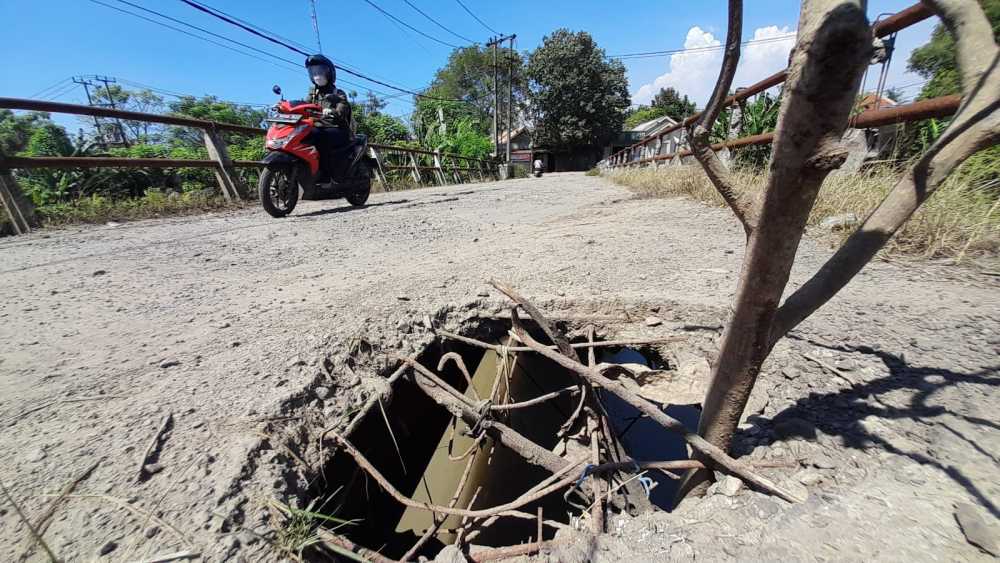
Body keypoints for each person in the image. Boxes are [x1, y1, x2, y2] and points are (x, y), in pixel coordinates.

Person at [305, 54, 352, 179]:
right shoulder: (312, 93)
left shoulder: (338, 93)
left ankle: (325, 174)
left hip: (338, 129)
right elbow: (304, 106)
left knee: (319, 136)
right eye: (313, 72)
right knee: (303, 134)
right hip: (317, 127)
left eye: (320, 71)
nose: (317, 75)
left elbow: (342, 110)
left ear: (329, 73)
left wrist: (332, 111)